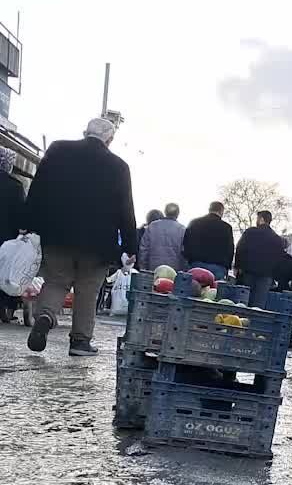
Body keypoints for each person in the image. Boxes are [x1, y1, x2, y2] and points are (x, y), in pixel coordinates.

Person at [24, 118, 135, 357]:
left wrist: (28, 224)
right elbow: (125, 209)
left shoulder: (58, 149)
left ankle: (45, 316)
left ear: (85, 132)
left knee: (56, 281)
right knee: (87, 290)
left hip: (57, 234)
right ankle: (80, 342)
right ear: (110, 139)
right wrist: (130, 245)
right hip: (98, 243)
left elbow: (37, 188)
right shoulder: (119, 166)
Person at [234, 210, 287, 308]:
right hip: (266, 276)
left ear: (261, 219)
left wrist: (237, 266)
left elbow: (240, 249)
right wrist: (274, 276)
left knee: (242, 302)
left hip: (248, 272)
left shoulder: (250, 232)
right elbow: (280, 260)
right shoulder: (277, 239)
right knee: (258, 306)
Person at [0, 148, 26, 323]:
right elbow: (21, 216)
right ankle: (4, 309)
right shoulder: (15, 186)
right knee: (4, 272)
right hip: (6, 237)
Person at [183, 201, 236, 280]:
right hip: (218, 266)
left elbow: (186, 243)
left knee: (194, 287)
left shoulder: (194, 223)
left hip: (196, 264)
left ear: (209, 209)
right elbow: (230, 249)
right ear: (221, 211)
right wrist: (227, 266)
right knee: (214, 287)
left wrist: (188, 259)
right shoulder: (227, 227)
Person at [138, 203, 186, 272]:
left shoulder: (152, 226)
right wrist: (183, 270)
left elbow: (144, 249)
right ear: (178, 214)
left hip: (153, 268)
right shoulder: (182, 229)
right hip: (173, 270)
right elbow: (184, 253)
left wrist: (143, 267)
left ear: (165, 212)